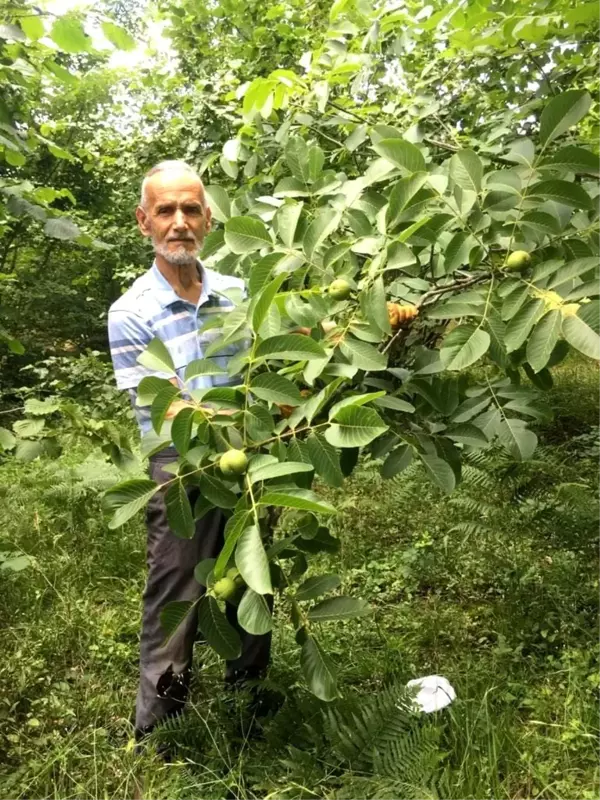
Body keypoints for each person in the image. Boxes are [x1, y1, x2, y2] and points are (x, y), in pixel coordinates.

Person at [107, 160, 271, 743]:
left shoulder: (238, 293)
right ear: (144, 221)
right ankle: (161, 726)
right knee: (178, 591)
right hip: (182, 466)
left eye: (191, 209)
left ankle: (250, 696)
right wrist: (249, 422)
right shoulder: (131, 313)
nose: (180, 222)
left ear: (207, 217)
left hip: (248, 461)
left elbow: (276, 364)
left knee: (253, 576)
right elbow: (168, 409)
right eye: (166, 211)